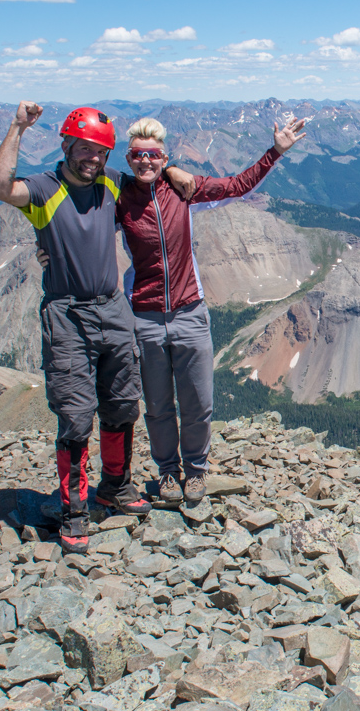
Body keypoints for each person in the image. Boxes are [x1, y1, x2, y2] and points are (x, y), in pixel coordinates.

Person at [0, 101, 195, 553]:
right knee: (76, 414)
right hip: (68, 314)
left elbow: (147, 169)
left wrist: (173, 169)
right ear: (66, 146)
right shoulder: (44, 189)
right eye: (83, 149)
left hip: (114, 310)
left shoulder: (109, 181)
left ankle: (115, 486)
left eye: (100, 151)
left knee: (122, 404)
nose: (92, 158)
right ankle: (74, 509)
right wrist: (17, 127)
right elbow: (0, 186)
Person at [117, 115, 307, 503]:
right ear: (128, 157)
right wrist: (48, 247)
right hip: (146, 317)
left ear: (164, 156)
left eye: (154, 155)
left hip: (189, 312)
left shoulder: (181, 189)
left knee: (198, 403)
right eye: (138, 155)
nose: (146, 162)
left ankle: (196, 471)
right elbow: (79, 214)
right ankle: (168, 473)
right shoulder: (118, 196)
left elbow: (237, 186)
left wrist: (276, 152)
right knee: (157, 406)